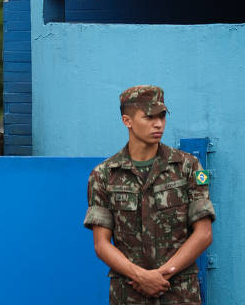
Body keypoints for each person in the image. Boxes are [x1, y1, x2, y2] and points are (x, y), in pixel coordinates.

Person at [83, 85, 215, 304]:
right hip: (129, 294)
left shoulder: (188, 167)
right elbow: (101, 244)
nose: (158, 124)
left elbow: (204, 234)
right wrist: (140, 276)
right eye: (149, 117)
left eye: (162, 116)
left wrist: (161, 275)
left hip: (179, 293)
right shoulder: (104, 174)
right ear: (127, 121)